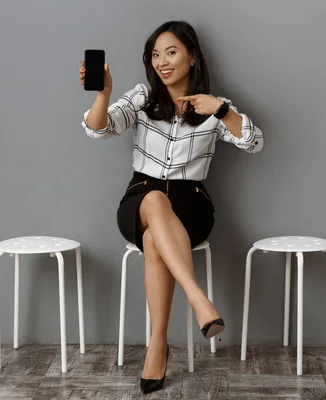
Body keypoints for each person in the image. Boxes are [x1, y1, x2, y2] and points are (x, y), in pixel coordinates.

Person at [79, 20, 263, 393]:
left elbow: (254, 142)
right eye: (155, 55)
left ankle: (157, 346)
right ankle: (199, 300)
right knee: (154, 200)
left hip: (191, 202)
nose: (162, 61)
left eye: (172, 52)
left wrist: (222, 110)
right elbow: (98, 128)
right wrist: (103, 94)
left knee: (153, 243)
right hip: (141, 197)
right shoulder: (142, 98)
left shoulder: (214, 107)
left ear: (192, 56)